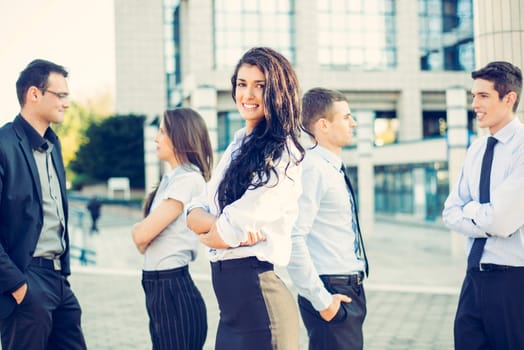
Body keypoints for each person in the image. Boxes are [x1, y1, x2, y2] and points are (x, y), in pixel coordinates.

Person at [186, 47, 304, 350]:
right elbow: (194, 210)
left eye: (260, 86)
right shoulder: (238, 144)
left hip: (261, 306)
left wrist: (219, 231)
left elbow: (228, 229)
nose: (247, 94)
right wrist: (218, 228)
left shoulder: (284, 152)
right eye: (242, 84)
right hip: (231, 310)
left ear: (278, 92)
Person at [0, 59, 87, 349]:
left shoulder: (53, 145)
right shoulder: (3, 145)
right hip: (25, 281)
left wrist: (62, 275)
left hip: (58, 278)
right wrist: (18, 286)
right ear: (34, 94)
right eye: (60, 95)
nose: (66, 103)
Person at [442, 61, 524, 350]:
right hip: (474, 275)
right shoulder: (477, 148)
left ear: (509, 98)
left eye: (483, 96)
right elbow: (450, 212)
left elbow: (502, 222)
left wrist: (473, 210)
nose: (474, 103)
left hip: (513, 281)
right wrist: (485, 215)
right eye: (473, 95)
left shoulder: (522, 147)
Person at [287, 88, 369, 350]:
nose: (353, 123)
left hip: (347, 288)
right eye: (346, 117)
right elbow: (293, 236)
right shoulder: (313, 169)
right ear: (323, 125)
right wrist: (322, 301)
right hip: (331, 289)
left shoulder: (331, 167)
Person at [132, 108, 212, 350]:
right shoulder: (172, 180)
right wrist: (143, 233)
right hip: (160, 289)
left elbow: (141, 235)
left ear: (180, 137)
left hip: (172, 290)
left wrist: (141, 232)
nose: (156, 139)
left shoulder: (188, 180)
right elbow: (143, 239)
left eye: (162, 132)